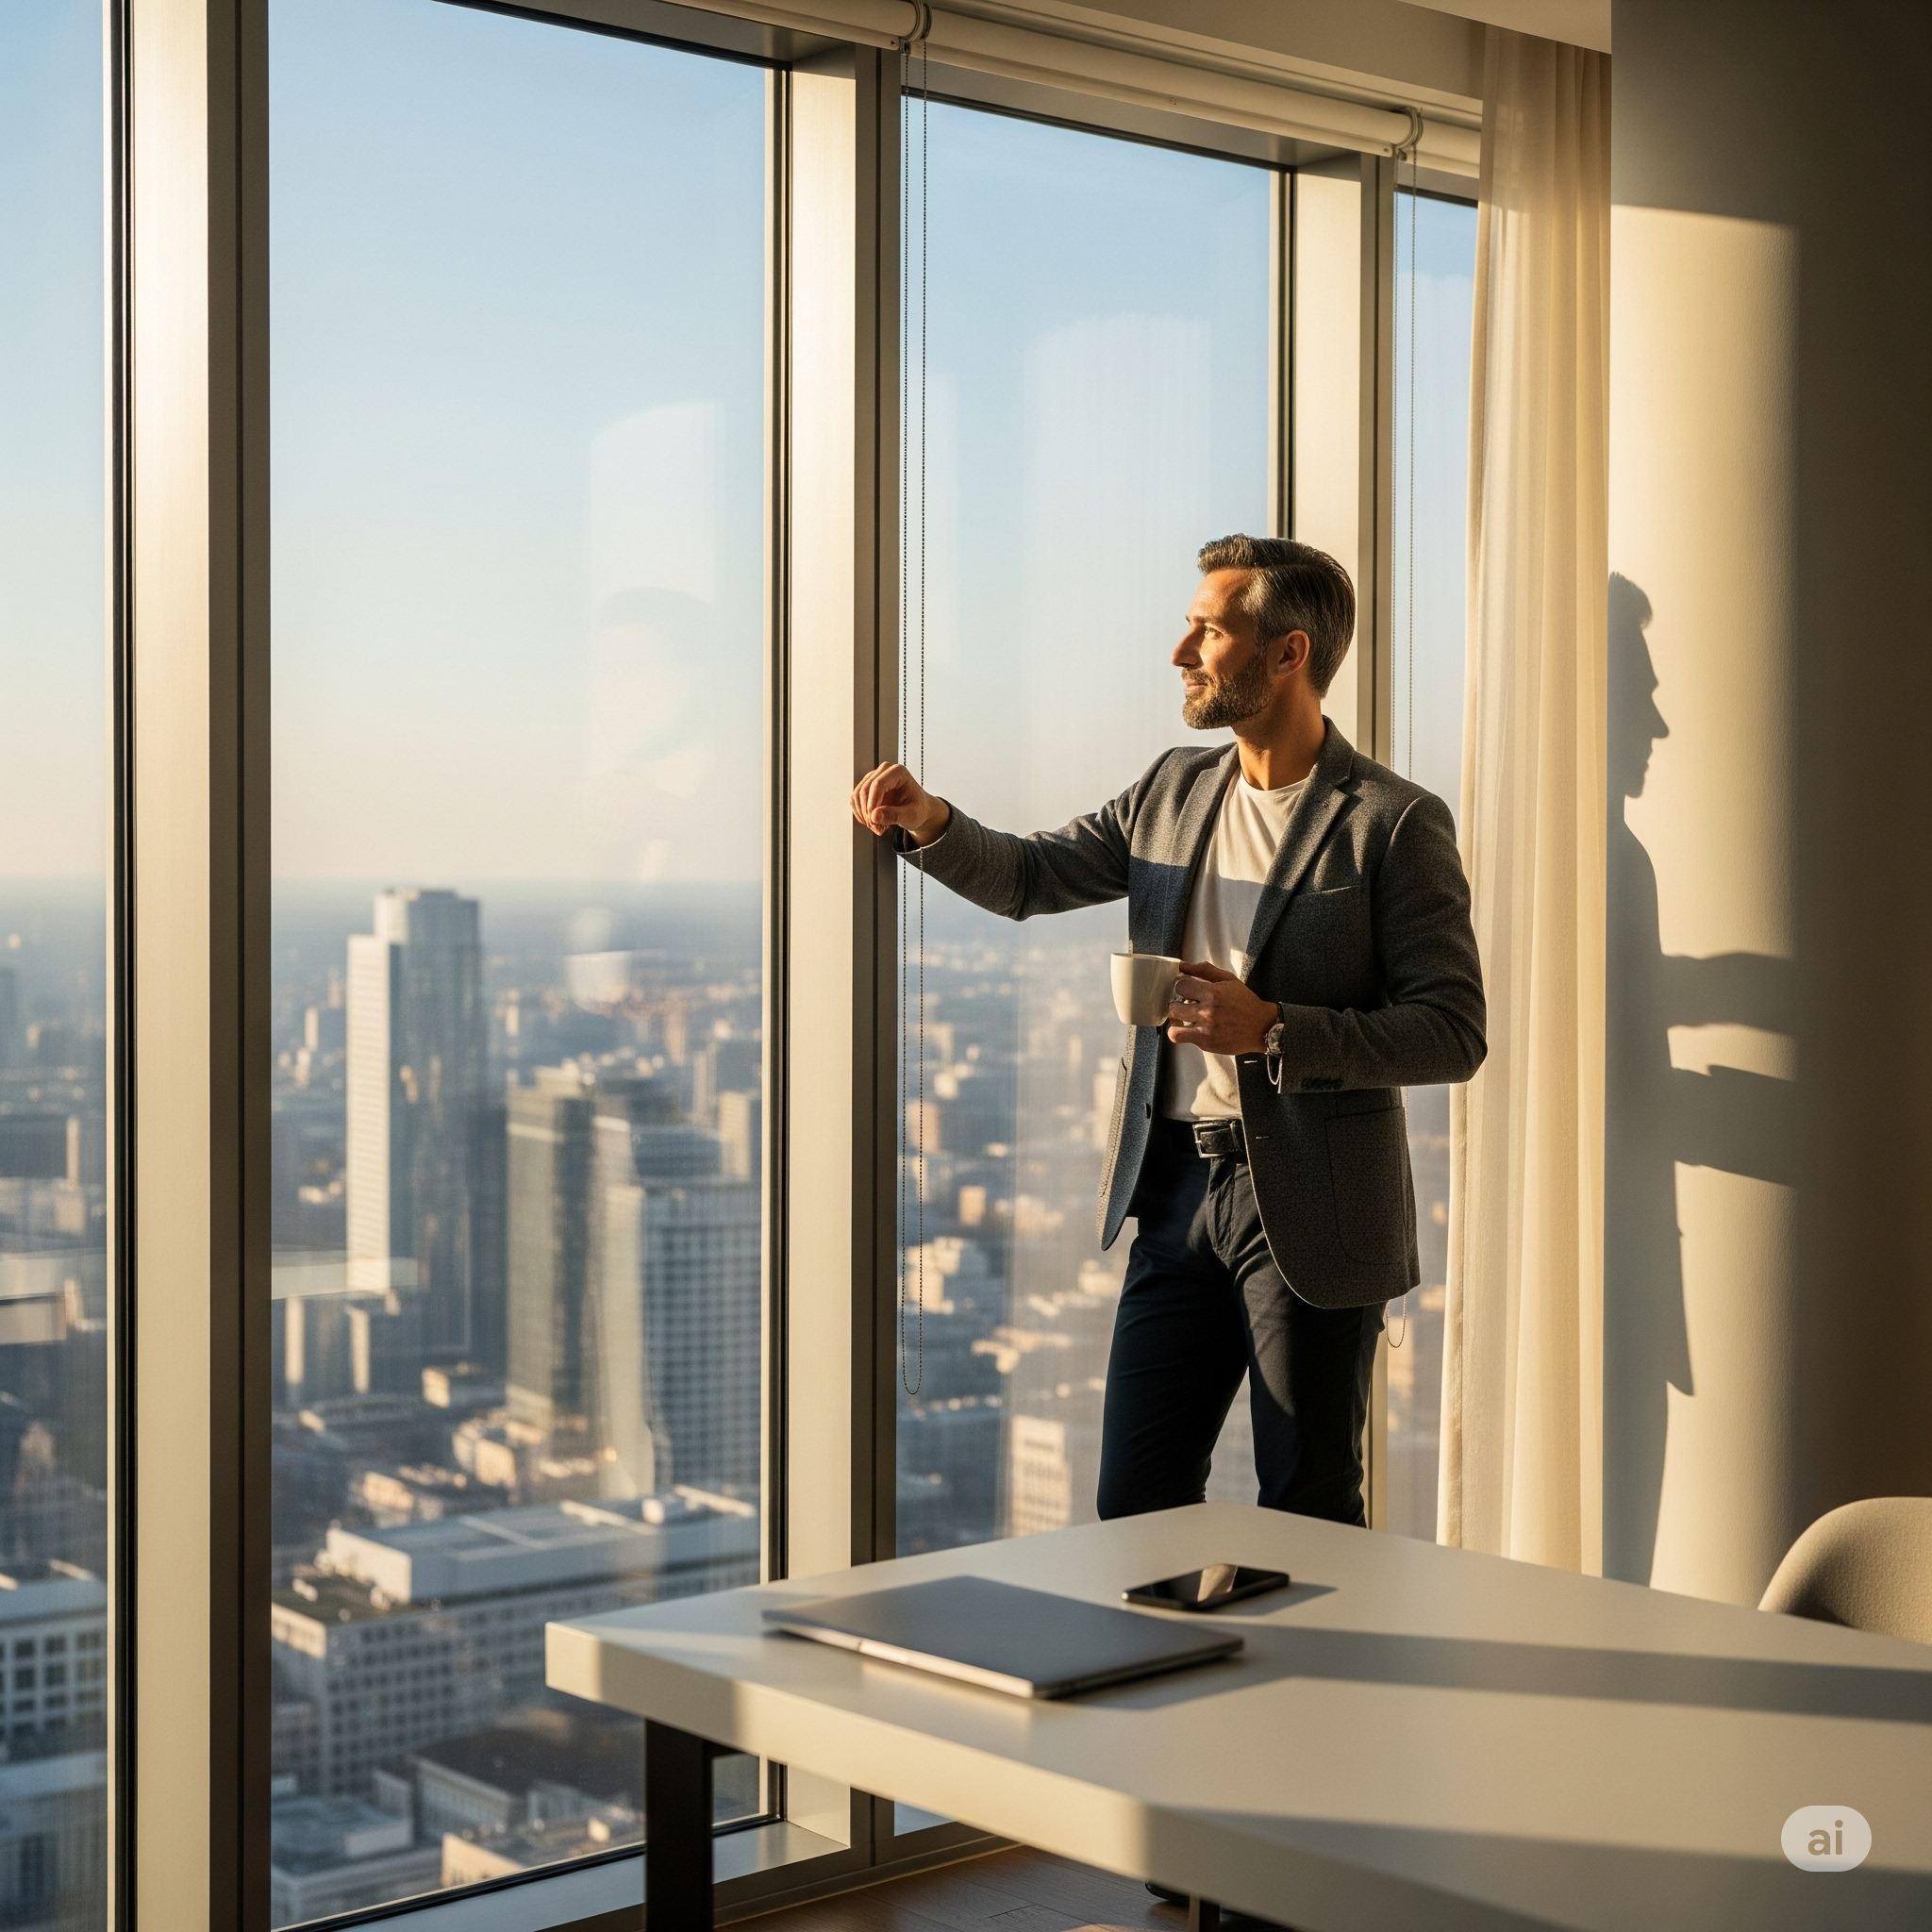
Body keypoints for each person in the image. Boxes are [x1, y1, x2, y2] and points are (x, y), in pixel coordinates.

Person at [849, 535, 1485, 1527]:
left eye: (1208, 630)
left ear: (1288, 652)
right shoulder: (1172, 790)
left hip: (1312, 1204)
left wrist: (1273, 1029)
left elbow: (1451, 1030)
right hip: (1175, 1191)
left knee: (1308, 1507)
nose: (1180, 651)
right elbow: (1032, 875)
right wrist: (929, 821)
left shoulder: (1391, 822)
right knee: (1136, 1505)